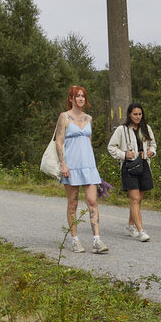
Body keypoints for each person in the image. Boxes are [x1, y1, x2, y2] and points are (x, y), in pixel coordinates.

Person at [55, 85, 107, 253]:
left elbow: (89, 142)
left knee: (92, 202)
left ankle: (97, 240)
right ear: (70, 99)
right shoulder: (64, 117)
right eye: (77, 96)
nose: (80, 99)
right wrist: (63, 163)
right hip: (71, 166)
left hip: (88, 166)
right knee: (73, 204)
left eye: (83, 96)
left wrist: (94, 166)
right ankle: (75, 240)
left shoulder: (89, 119)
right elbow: (59, 141)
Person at [107, 103, 156, 242]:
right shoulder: (122, 130)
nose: (138, 117)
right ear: (129, 114)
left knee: (138, 199)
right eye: (135, 114)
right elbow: (111, 147)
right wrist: (123, 154)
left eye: (140, 114)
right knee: (134, 198)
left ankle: (130, 226)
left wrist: (151, 152)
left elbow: (153, 144)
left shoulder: (146, 129)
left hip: (144, 165)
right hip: (129, 166)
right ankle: (141, 230)